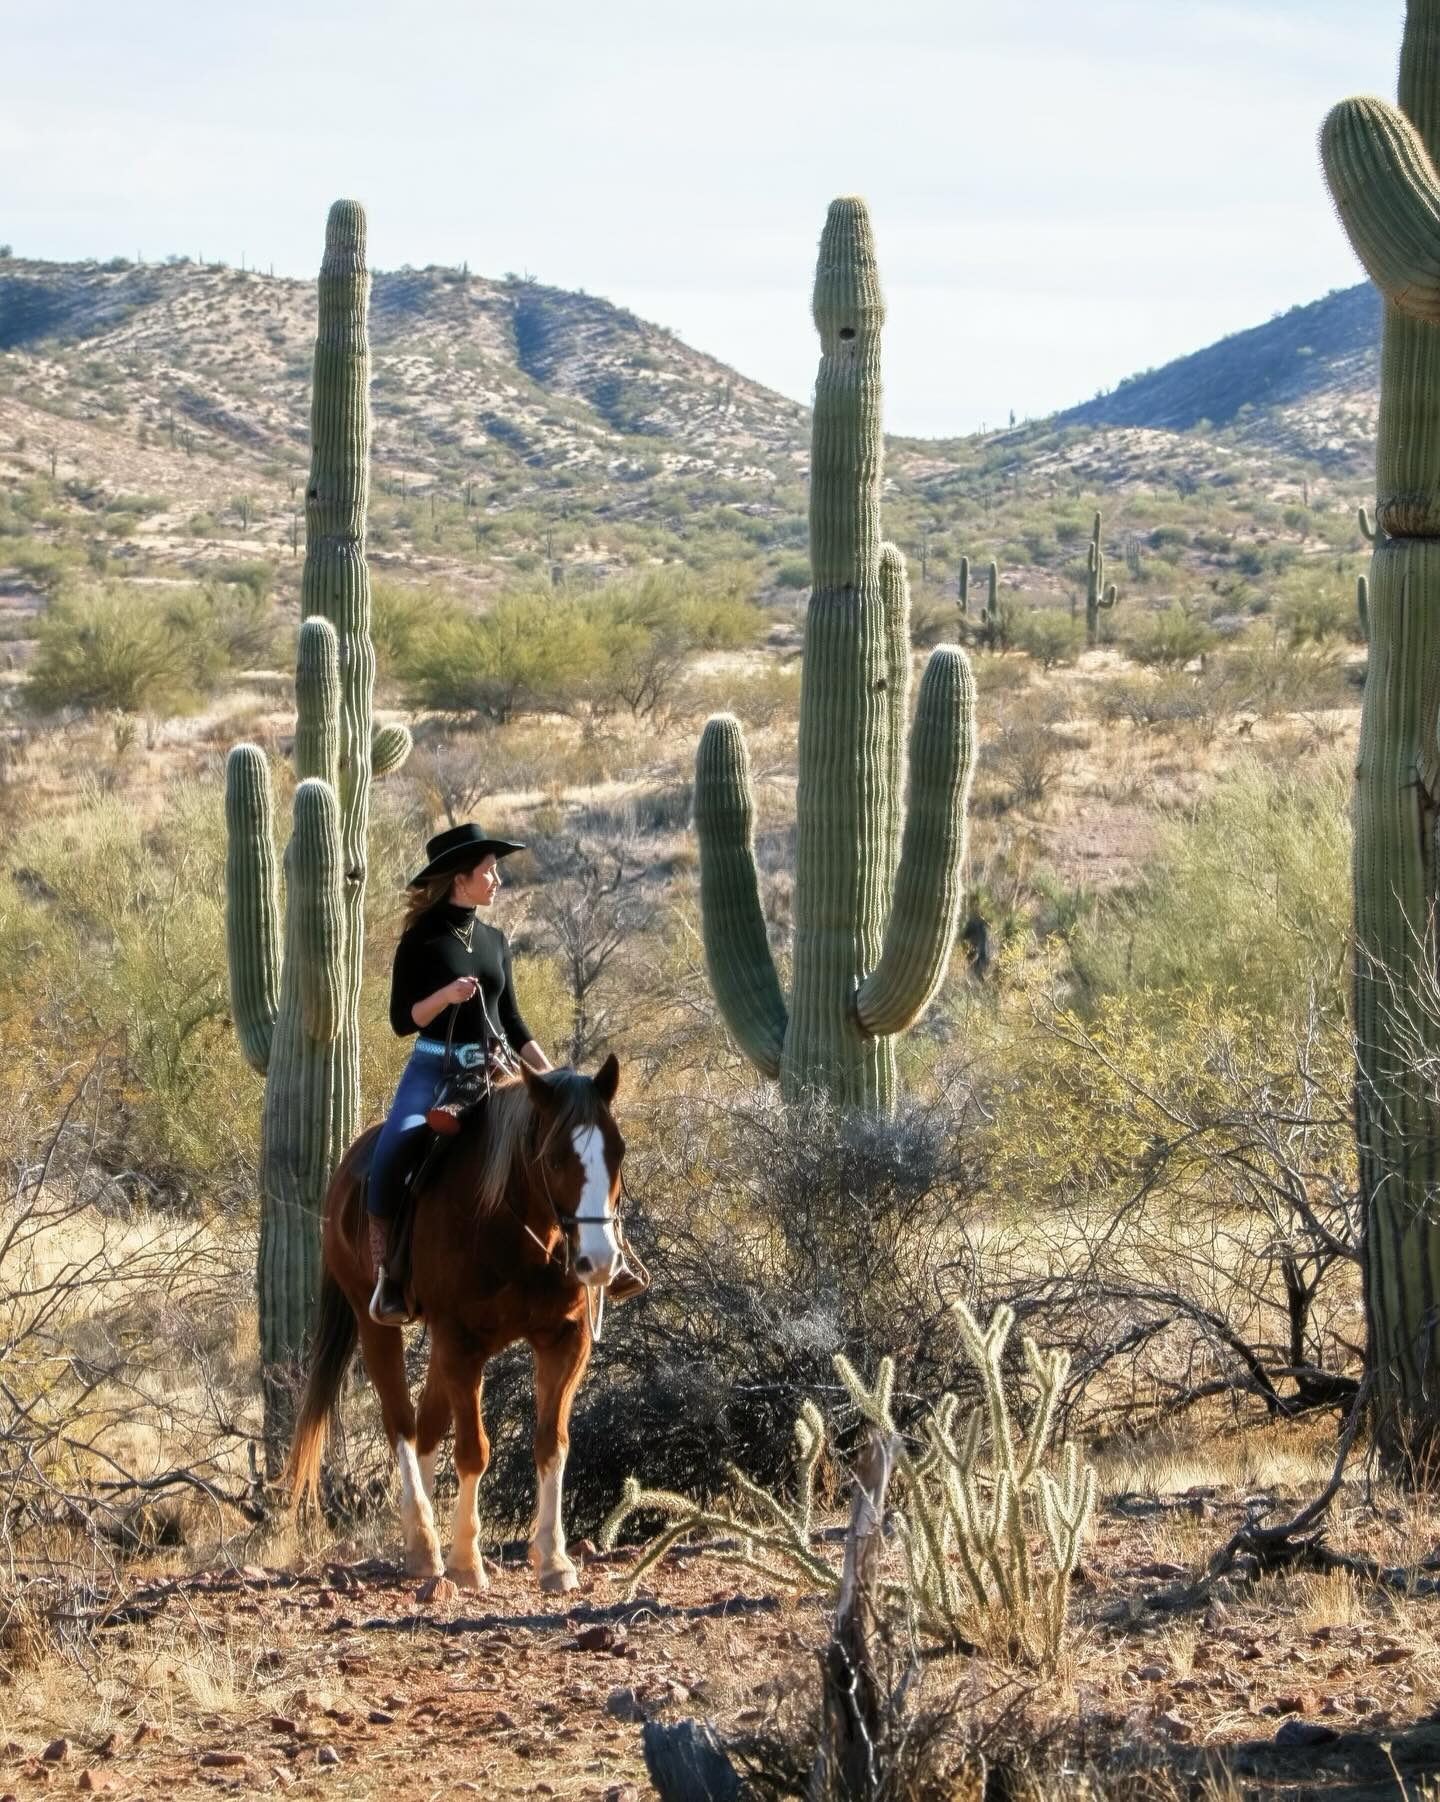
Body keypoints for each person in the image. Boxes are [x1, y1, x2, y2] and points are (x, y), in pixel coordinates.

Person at [367, 821, 551, 1325]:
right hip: (434, 1065)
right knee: (393, 1148)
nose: (498, 881)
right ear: (459, 880)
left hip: (494, 1067)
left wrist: (549, 1075)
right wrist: (445, 997)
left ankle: (594, 1260)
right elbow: (403, 1021)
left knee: (562, 1140)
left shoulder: (494, 941)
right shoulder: (420, 941)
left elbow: (511, 1020)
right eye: (489, 872)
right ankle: (389, 1275)